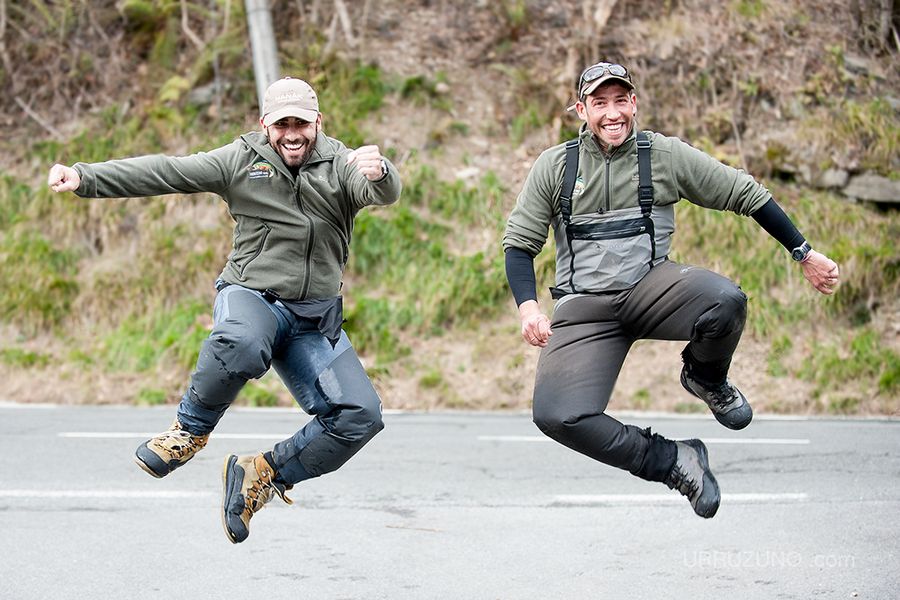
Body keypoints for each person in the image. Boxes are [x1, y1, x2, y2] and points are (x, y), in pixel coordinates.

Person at [47, 77, 401, 542]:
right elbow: (167, 172)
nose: (292, 133)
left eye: (301, 123)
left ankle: (262, 475)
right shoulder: (241, 160)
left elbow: (379, 191)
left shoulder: (341, 164)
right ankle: (187, 432)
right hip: (252, 296)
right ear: (264, 125)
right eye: (282, 124)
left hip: (314, 318)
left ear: (318, 122)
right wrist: (85, 177)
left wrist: (379, 172)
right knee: (240, 341)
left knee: (360, 416)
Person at [502, 61, 839, 518]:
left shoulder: (663, 156)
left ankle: (705, 377)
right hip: (584, 307)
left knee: (724, 301)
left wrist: (804, 253)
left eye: (621, 100)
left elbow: (744, 192)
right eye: (599, 103)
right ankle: (676, 461)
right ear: (581, 110)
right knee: (557, 415)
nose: (612, 113)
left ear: (634, 103)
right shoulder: (556, 166)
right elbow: (519, 244)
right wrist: (528, 308)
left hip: (651, 289)